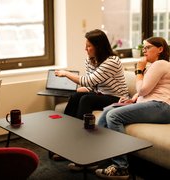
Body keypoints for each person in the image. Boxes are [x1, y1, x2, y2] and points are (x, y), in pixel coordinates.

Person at [95, 36, 170, 179]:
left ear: (160, 49)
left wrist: (139, 70)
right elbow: (146, 90)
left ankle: (121, 167)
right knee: (108, 110)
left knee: (113, 116)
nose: (144, 51)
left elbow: (143, 90)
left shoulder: (161, 64)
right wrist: (133, 98)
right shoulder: (155, 66)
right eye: (143, 48)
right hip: (154, 105)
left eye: (148, 47)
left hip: (162, 107)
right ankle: (98, 157)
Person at [54, 29, 129, 169]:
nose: (85, 49)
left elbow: (88, 81)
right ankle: (67, 143)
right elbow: (92, 86)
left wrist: (66, 74)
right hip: (100, 94)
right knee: (76, 96)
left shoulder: (112, 61)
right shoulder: (90, 60)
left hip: (117, 98)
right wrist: (78, 90)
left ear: (99, 46)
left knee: (86, 99)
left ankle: (85, 148)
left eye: (89, 46)